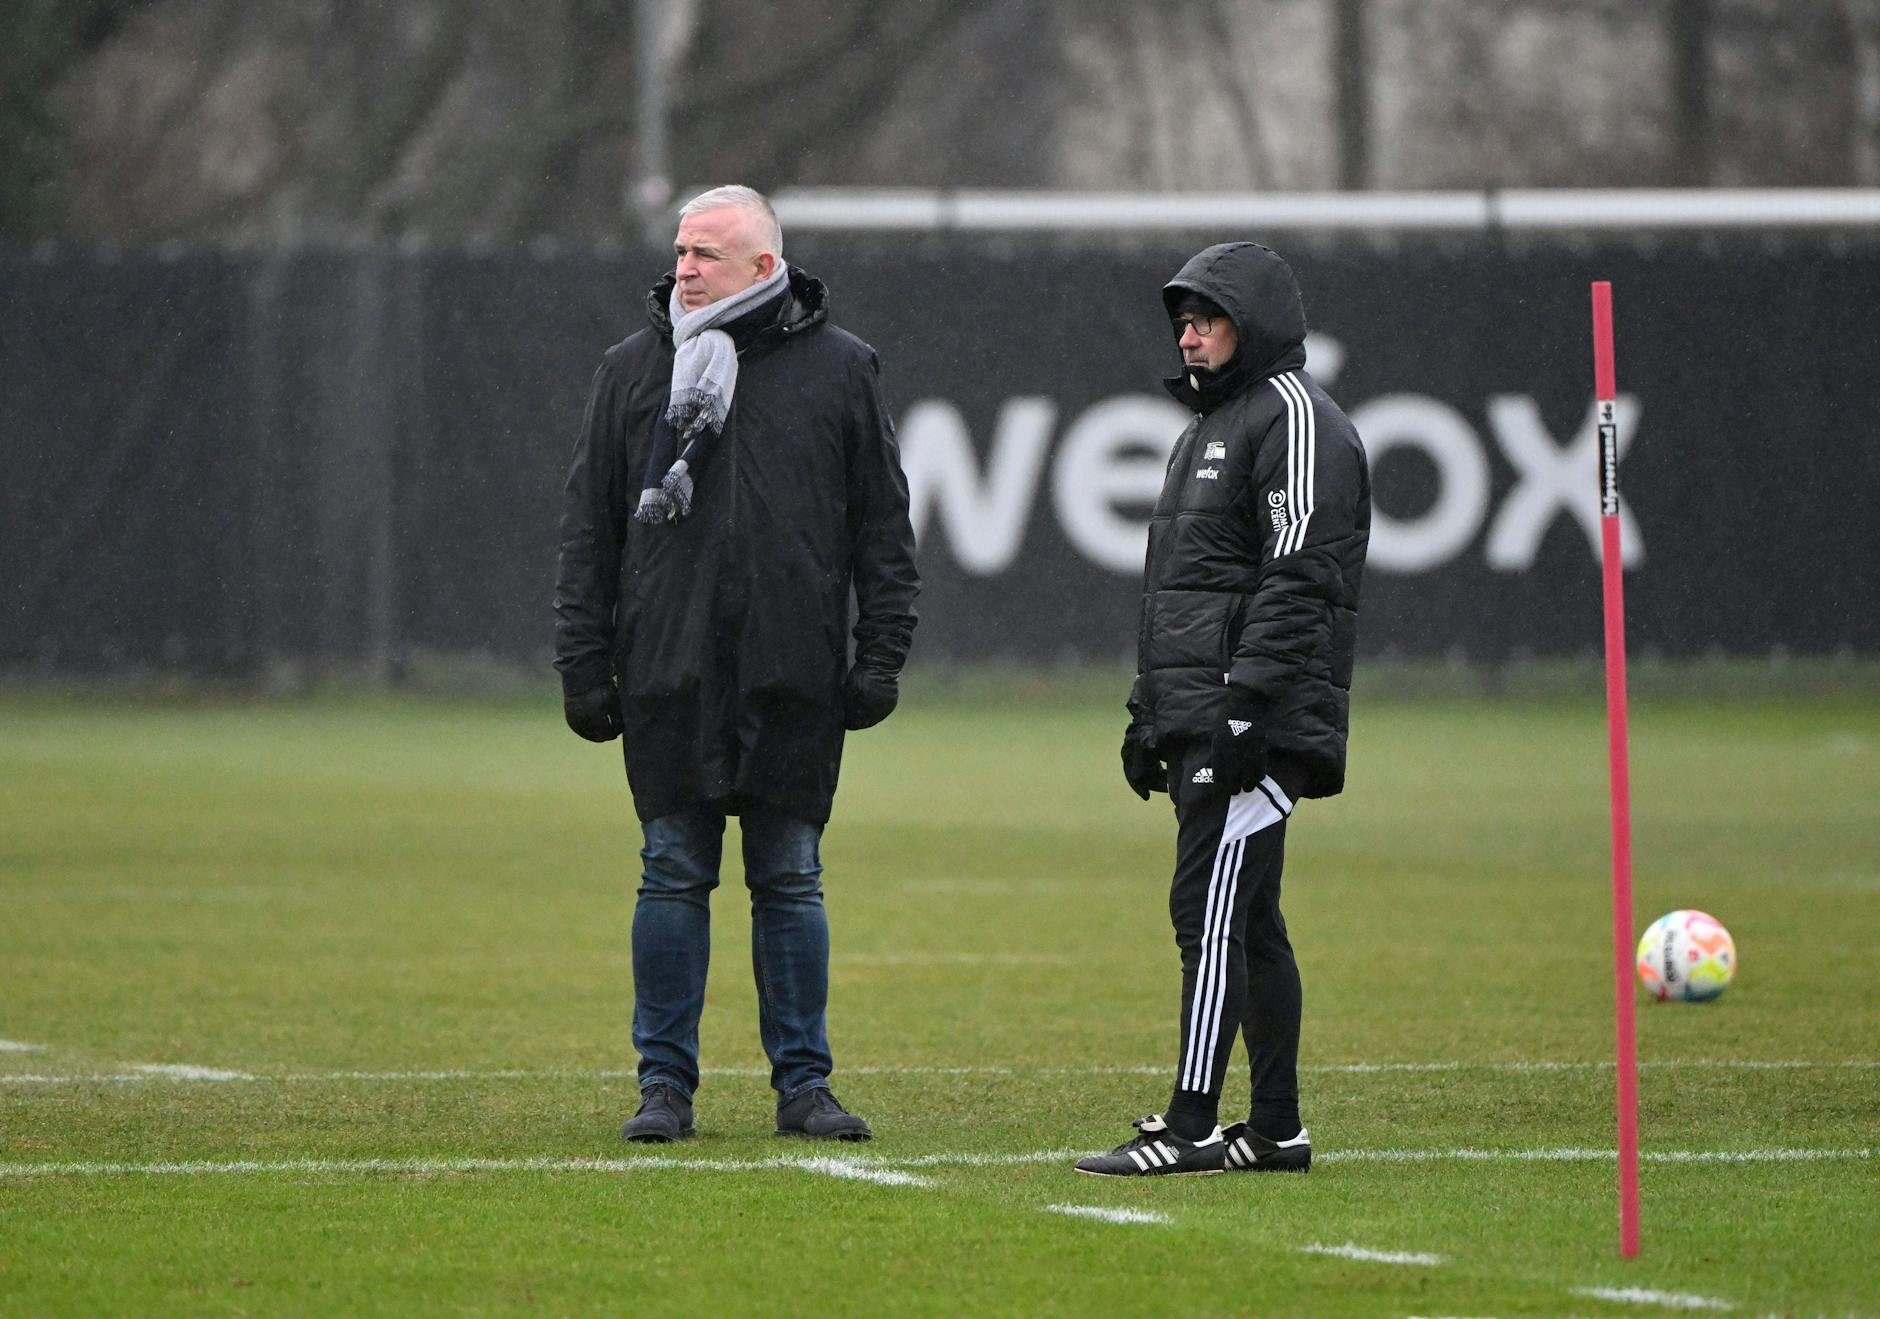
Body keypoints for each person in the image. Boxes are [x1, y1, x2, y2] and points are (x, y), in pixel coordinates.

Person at [554, 185, 919, 1144]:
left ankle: (805, 1086)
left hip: (792, 669)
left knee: (790, 875)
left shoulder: (841, 369)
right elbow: (589, 532)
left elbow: (882, 525)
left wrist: (881, 651)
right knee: (671, 871)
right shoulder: (631, 370)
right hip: (667, 668)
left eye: (704, 254)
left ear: (764, 266)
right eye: (680, 251)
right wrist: (583, 663)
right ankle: (663, 1088)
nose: (683, 268)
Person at [1076, 242, 1370, 1178]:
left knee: (1207, 909)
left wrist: (1245, 710)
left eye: (1207, 319)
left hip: (1257, 722)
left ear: (1256, 324)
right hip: (1207, 715)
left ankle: (1191, 1124)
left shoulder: (1296, 418)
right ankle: (1276, 1129)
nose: (1189, 335)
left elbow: (1301, 576)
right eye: (1183, 321)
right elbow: (1181, 595)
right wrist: (1150, 713)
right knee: (1250, 917)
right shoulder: (1207, 428)